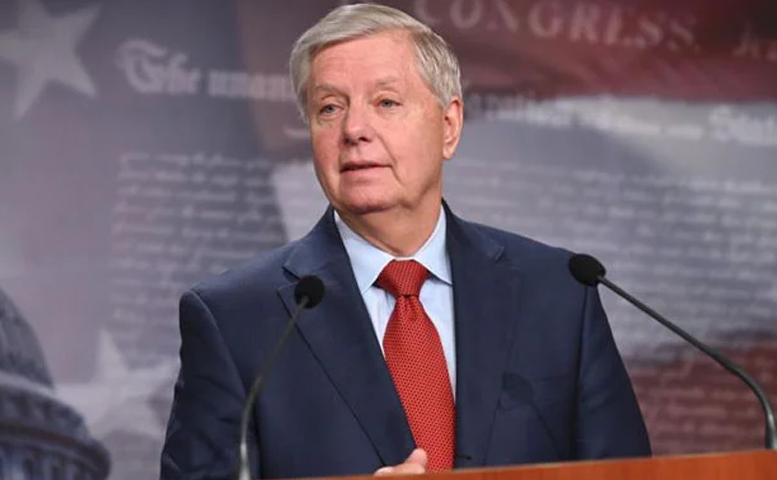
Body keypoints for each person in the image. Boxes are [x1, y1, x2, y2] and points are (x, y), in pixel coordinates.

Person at [159, 3, 650, 479]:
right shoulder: (236, 320)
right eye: (329, 108)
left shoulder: (560, 294)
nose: (354, 129)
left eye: (386, 102)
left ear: (449, 126)